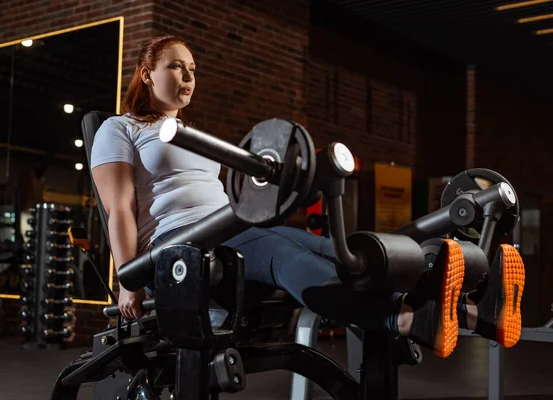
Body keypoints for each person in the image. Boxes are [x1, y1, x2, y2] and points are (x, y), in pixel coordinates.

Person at [90, 36, 525, 358]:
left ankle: (474, 312)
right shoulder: (120, 128)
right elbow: (120, 208)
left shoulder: (192, 135)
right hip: (183, 244)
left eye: (192, 69)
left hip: (230, 226)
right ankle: (405, 318)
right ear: (146, 74)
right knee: (287, 256)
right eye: (175, 67)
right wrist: (129, 280)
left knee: (344, 249)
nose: (188, 77)